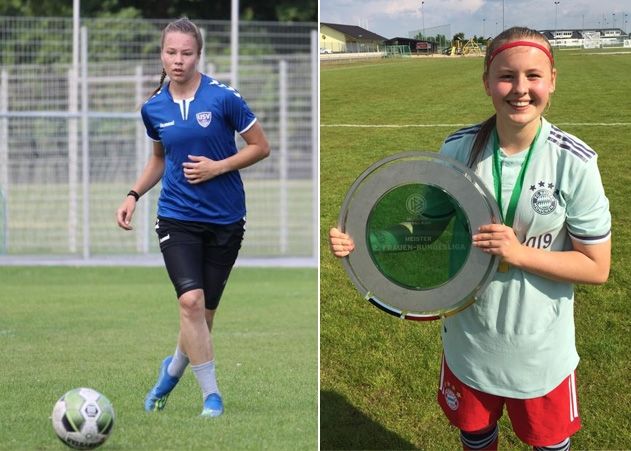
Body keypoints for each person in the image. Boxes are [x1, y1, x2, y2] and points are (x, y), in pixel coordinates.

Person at [329, 26, 611, 450]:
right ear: (486, 82)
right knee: (476, 437)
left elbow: (596, 267)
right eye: (506, 76)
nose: (520, 89)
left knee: (549, 444)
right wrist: (364, 243)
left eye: (533, 76)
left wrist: (516, 254)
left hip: (540, 351)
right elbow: (425, 226)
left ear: (552, 80)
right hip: (469, 343)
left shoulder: (574, 163)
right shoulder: (458, 150)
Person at [116, 18, 270, 418]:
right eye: (171, 52)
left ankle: (170, 373)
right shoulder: (153, 108)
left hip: (226, 219)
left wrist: (218, 167)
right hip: (176, 217)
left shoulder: (223, 98)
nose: (178, 61)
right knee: (190, 302)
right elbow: (158, 160)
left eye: (186, 53)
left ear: (198, 55)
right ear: (161, 55)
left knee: (204, 315)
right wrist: (133, 194)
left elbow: (260, 146)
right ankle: (211, 398)